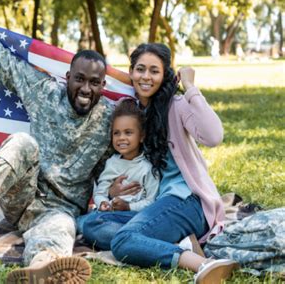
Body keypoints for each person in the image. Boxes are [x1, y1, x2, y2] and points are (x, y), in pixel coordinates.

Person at [0, 7, 129, 283]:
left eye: (94, 83)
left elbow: (124, 154)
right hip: (20, 195)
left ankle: (43, 267)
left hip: (59, 209)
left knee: (58, 231)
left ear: (103, 85)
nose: (86, 89)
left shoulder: (111, 120)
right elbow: (4, 63)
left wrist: (110, 193)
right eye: (80, 79)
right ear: (68, 77)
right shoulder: (45, 93)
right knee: (23, 143)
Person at [78, 43, 240, 284]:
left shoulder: (176, 105)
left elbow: (214, 136)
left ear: (165, 75)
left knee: (122, 242)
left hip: (186, 201)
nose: (146, 77)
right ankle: (179, 242)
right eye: (140, 69)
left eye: (154, 71)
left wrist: (191, 87)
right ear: (131, 72)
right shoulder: (132, 110)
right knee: (90, 223)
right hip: (152, 204)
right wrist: (111, 192)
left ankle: (202, 264)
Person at [92, 99, 158, 213]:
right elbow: (99, 193)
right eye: (116, 133)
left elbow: (152, 201)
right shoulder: (111, 163)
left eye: (128, 132)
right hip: (109, 214)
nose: (121, 137)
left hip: (133, 216)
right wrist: (103, 203)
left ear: (141, 136)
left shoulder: (147, 168)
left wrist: (128, 207)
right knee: (87, 223)